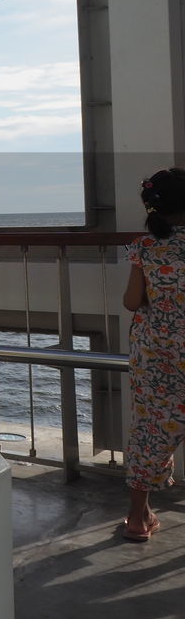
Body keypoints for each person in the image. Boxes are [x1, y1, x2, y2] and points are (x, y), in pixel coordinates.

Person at [122, 167, 185, 541]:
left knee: (150, 432)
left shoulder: (145, 248)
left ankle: (137, 518)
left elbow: (132, 302)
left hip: (156, 356)